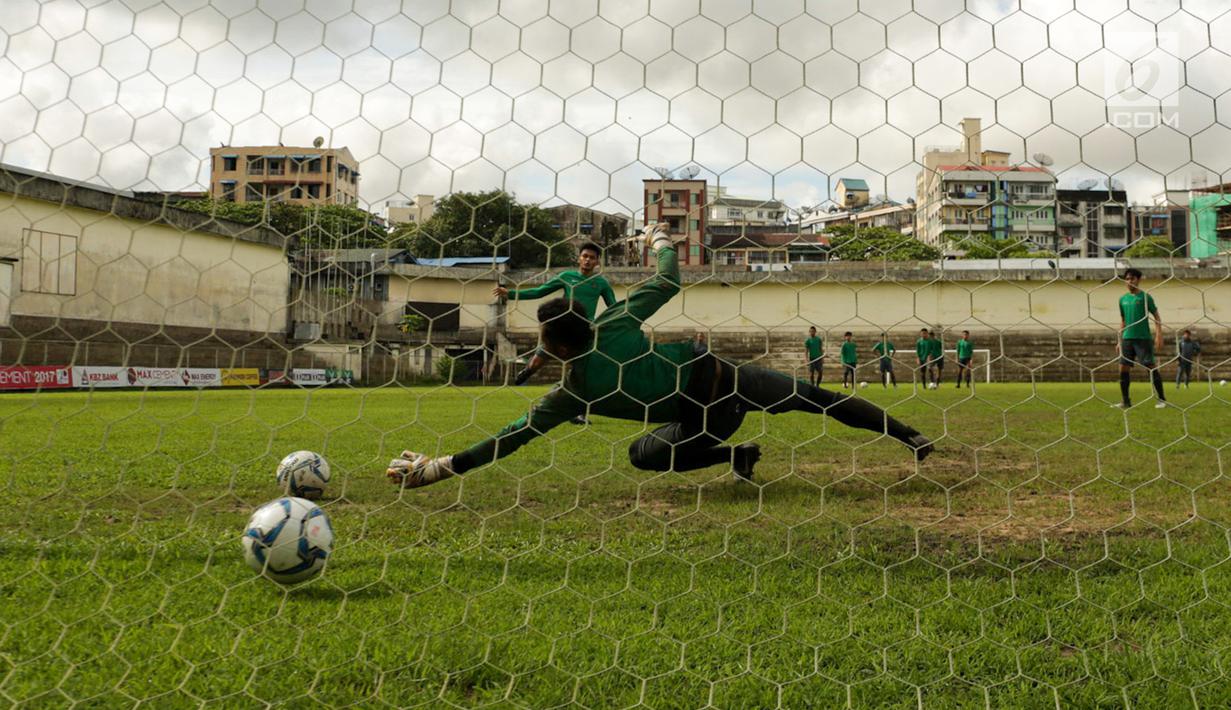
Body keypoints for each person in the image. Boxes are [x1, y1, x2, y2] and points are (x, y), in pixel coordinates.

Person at [388, 224, 934, 489]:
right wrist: (659, 239)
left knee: (809, 399)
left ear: (552, 347)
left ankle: (908, 435)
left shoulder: (570, 391)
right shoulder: (615, 320)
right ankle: (907, 437)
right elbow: (668, 277)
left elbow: (512, 436)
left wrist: (442, 467)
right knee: (814, 399)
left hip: (720, 390)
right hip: (717, 395)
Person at [493, 241, 616, 386]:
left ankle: (585, 384)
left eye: (592, 258)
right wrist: (511, 293)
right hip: (564, 324)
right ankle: (526, 372)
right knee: (540, 358)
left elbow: (613, 306)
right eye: (585, 256)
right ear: (579, 259)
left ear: (597, 262)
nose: (588, 260)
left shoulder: (601, 283)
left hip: (584, 328)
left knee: (587, 359)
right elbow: (539, 291)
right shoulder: (566, 277)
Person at [1115, 267, 1167, 409]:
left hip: (1142, 338)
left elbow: (1156, 316)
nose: (1129, 281)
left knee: (1150, 367)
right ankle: (1125, 401)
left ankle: (1162, 399)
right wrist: (1119, 341)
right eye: (1127, 279)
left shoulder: (1145, 297)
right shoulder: (1122, 299)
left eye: (1132, 278)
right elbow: (1123, 320)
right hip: (1127, 339)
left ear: (1138, 280)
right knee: (1123, 368)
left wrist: (1159, 335)